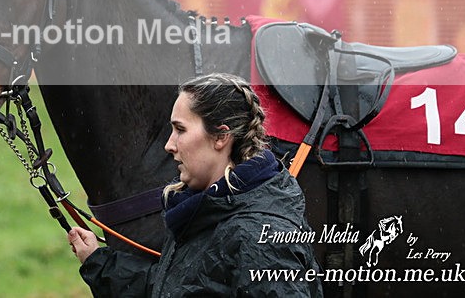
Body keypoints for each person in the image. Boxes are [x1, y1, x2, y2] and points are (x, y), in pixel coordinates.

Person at [68, 73, 323, 297]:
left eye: (180, 129)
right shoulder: (208, 209)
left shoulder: (261, 240)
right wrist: (97, 262)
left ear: (221, 137)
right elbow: (173, 288)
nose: (169, 145)